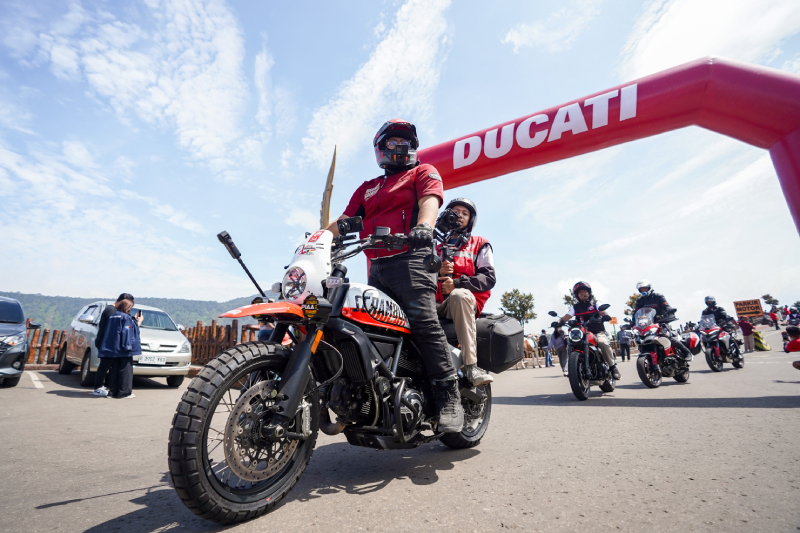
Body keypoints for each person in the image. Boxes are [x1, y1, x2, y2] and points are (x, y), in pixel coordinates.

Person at [326, 119, 463, 432]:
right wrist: (320, 238)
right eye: (392, 142)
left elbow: (430, 200)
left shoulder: (422, 172)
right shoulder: (368, 187)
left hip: (411, 260)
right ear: (380, 148)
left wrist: (424, 227)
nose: (400, 147)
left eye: (405, 142)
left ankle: (448, 395)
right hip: (378, 268)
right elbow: (348, 221)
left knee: (424, 323)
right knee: (371, 329)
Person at [435, 197, 495, 386]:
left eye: (465, 213)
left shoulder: (480, 243)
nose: (459, 215)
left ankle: (471, 366)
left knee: (458, 296)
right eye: (455, 211)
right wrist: (437, 271)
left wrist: (457, 284)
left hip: (463, 301)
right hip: (435, 304)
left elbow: (488, 278)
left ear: (471, 219)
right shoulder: (433, 245)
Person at [555, 281, 619, 380]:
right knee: (570, 345)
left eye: (585, 291)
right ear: (577, 295)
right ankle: (572, 368)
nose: (583, 293)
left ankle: (613, 367)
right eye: (580, 292)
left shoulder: (595, 303)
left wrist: (605, 316)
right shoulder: (575, 307)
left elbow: (602, 311)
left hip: (597, 332)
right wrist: (558, 322)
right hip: (582, 333)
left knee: (603, 343)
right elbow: (566, 317)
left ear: (589, 293)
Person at [634, 280, 693, 361]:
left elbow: (666, 306)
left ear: (649, 288)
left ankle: (687, 352)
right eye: (641, 289)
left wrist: (670, 312)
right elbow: (636, 312)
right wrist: (632, 322)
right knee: (641, 338)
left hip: (661, 322)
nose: (643, 290)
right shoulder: (640, 300)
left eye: (645, 288)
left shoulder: (658, 296)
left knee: (668, 336)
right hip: (648, 324)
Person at [98, 298, 143, 399]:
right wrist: (138, 322)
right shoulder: (126, 318)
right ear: (128, 308)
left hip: (113, 348)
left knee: (114, 370)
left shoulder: (113, 316)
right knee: (125, 371)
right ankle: (124, 392)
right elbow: (128, 330)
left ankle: (112, 392)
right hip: (124, 348)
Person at [93, 293, 135, 397]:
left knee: (109, 365)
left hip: (108, 342)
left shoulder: (114, 310)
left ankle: (107, 388)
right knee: (105, 365)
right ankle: (98, 387)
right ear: (123, 301)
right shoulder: (111, 310)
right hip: (105, 342)